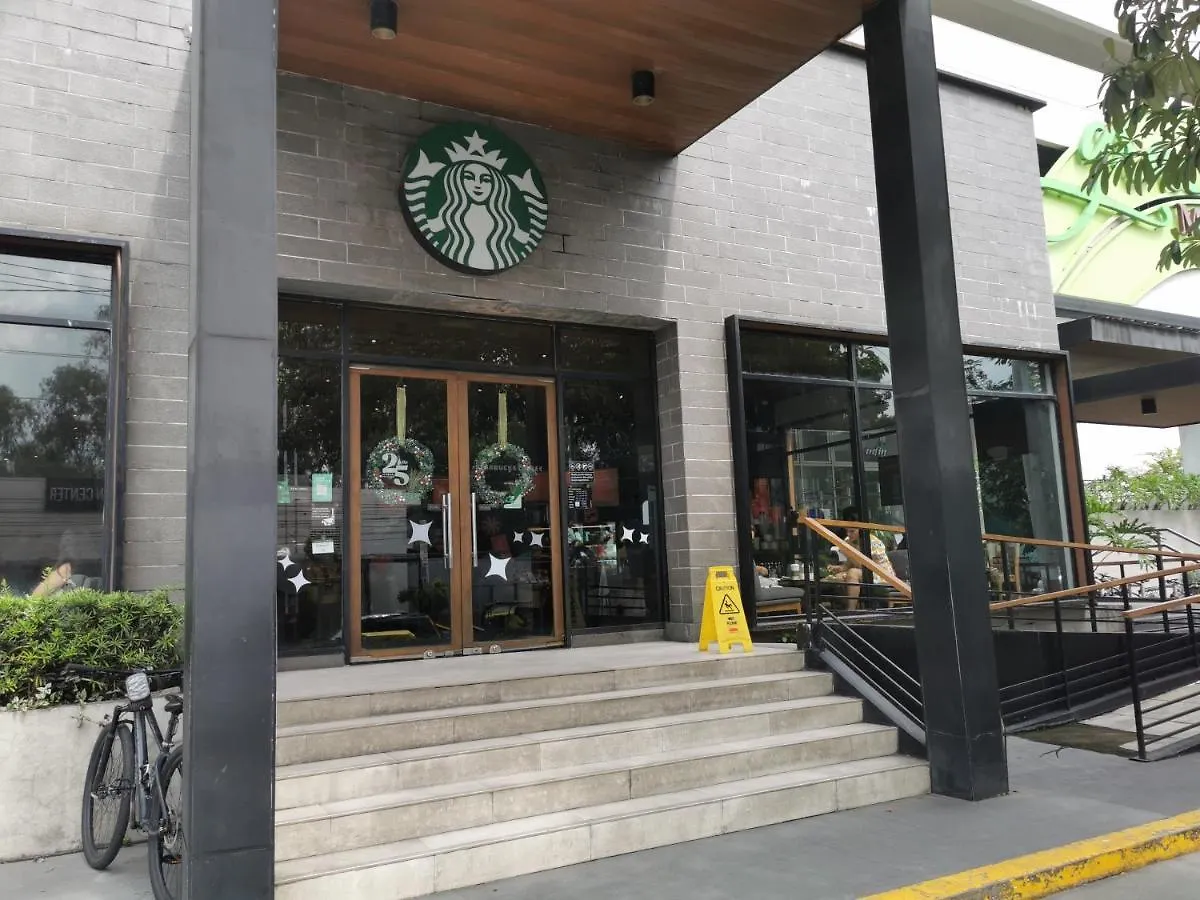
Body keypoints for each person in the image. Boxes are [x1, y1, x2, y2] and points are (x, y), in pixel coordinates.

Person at [822, 507, 903, 610]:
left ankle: (851, 610)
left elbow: (866, 566)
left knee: (852, 573)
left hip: (880, 573)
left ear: (860, 529)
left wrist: (850, 552)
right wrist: (839, 568)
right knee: (837, 577)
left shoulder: (872, 542)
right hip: (863, 572)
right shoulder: (848, 541)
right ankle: (844, 608)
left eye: (852, 531)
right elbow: (849, 564)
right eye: (847, 531)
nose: (848, 534)